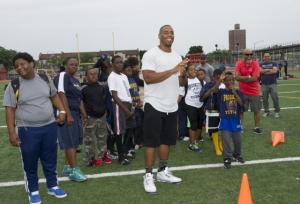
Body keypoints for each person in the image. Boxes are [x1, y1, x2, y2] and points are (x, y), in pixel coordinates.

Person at [3, 52, 67, 204]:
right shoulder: (14, 85)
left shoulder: (45, 79)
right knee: (29, 161)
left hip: (50, 126)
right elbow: (9, 109)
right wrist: (11, 132)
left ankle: (52, 185)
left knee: (50, 158)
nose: (19, 68)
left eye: (22, 64)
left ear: (31, 63)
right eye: (16, 66)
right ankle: (33, 190)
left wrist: (62, 111)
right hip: (27, 130)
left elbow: (54, 96)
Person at [142, 25, 188, 194]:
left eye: (172, 33)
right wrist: (173, 70)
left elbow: (181, 83)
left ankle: (162, 171)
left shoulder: (177, 56)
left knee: (166, 140)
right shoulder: (150, 54)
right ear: (159, 35)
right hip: (154, 104)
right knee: (151, 142)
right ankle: (148, 175)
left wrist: (182, 74)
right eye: (166, 33)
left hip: (171, 105)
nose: (169, 35)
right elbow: (148, 78)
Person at [53, 57, 88, 181]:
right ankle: (74, 170)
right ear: (65, 65)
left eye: (76, 65)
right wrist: (67, 114)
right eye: (71, 64)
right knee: (70, 142)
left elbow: (79, 100)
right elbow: (61, 94)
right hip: (67, 113)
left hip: (75, 113)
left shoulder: (76, 81)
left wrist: (84, 115)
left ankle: (67, 166)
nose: (74, 66)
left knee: (73, 141)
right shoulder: (63, 75)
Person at [107, 55, 136, 165]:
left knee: (131, 125)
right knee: (119, 131)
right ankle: (120, 157)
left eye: (121, 62)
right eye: (117, 62)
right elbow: (114, 95)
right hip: (119, 105)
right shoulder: (112, 76)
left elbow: (127, 91)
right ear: (113, 64)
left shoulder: (124, 76)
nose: (119, 64)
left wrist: (131, 102)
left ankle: (124, 148)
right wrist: (126, 110)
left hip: (127, 103)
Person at [213, 72, 245, 169]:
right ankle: (227, 157)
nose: (231, 82)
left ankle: (237, 154)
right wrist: (219, 80)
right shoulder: (222, 92)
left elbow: (241, 104)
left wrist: (234, 92)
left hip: (235, 119)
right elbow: (214, 91)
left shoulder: (238, 92)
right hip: (225, 120)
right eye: (228, 80)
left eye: (232, 80)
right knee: (226, 141)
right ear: (224, 81)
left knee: (238, 140)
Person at [82, 68, 112, 166]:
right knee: (89, 139)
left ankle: (102, 156)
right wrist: (85, 116)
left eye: (95, 74)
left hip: (101, 116)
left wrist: (103, 111)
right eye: (90, 74)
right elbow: (80, 103)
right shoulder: (83, 88)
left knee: (102, 138)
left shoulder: (100, 87)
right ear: (86, 76)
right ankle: (90, 159)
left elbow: (102, 98)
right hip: (90, 117)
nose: (93, 76)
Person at [235, 49, 262, 134]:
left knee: (256, 110)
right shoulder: (239, 64)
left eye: (251, 54)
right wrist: (249, 77)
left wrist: (243, 78)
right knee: (241, 110)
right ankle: (240, 126)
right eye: (247, 54)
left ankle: (257, 127)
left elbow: (255, 78)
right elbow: (236, 77)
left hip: (254, 91)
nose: (249, 56)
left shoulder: (255, 64)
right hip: (242, 92)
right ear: (243, 55)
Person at [179, 64, 205, 152]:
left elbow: (206, 91)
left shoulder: (201, 81)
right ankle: (191, 144)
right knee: (193, 124)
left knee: (199, 125)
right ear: (187, 72)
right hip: (190, 104)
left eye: (195, 69)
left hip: (200, 105)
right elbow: (181, 94)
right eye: (191, 70)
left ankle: (195, 141)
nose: (194, 71)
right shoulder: (185, 82)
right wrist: (175, 105)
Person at [200, 69, 225, 156]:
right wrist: (212, 89)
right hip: (212, 110)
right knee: (214, 129)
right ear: (212, 78)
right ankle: (216, 147)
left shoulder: (224, 85)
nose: (218, 80)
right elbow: (202, 97)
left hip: (223, 110)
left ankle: (221, 144)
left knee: (224, 128)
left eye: (220, 78)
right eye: (217, 78)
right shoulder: (208, 85)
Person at [122, 62, 143, 154]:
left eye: (131, 69)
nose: (130, 71)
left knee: (134, 126)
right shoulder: (123, 81)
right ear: (122, 71)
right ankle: (125, 146)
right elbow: (124, 97)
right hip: (129, 107)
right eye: (128, 70)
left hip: (137, 107)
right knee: (128, 128)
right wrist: (134, 104)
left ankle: (131, 144)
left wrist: (139, 101)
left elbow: (136, 92)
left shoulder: (132, 79)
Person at [260, 52, 280, 117]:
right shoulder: (261, 64)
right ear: (263, 57)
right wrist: (269, 70)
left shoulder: (273, 63)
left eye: (268, 56)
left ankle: (277, 111)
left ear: (270, 57)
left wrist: (264, 71)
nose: (267, 57)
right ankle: (266, 111)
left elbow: (274, 71)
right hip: (264, 84)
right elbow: (260, 71)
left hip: (272, 83)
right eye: (265, 56)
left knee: (275, 98)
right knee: (265, 99)